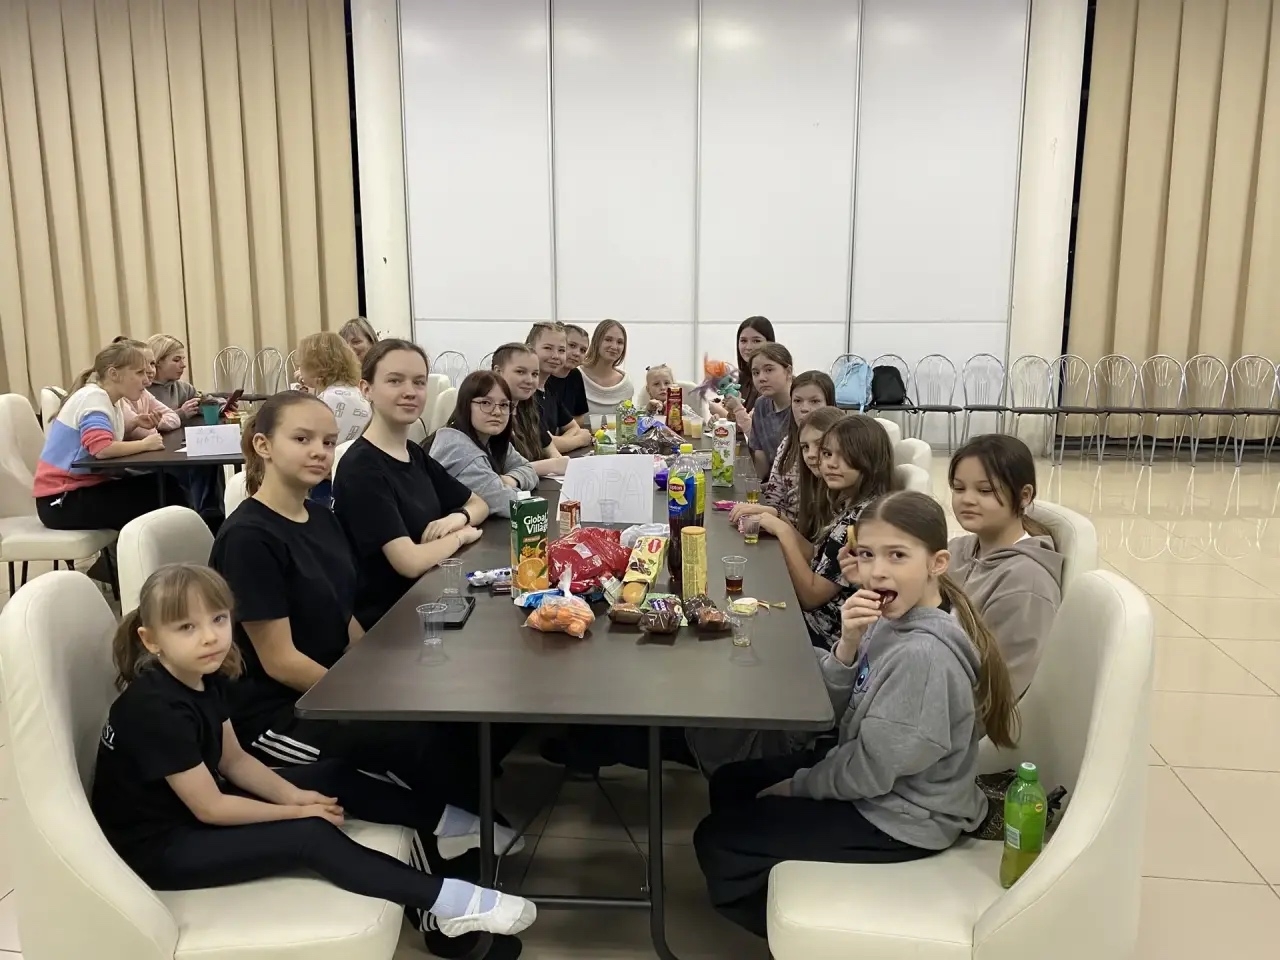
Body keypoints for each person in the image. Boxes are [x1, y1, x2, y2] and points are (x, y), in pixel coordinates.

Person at [91, 563, 536, 942]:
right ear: (151, 640)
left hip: (195, 806)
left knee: (332, 775)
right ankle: (450, 903)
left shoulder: (203, 676)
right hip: (163, 848)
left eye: (219, 619)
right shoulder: (156, 709)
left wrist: (294, 795)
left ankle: (452, 826)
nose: (210, 637)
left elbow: (234, 761)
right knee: (310, 836)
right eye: (187, 628)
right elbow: (210, 808)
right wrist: (295, 813)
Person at [693, 490, 1019, 937]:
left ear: (937, 563)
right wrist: (846, 646)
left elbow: (870, 772)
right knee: (732, 782)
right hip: (874, 779)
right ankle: (781, 871)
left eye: (897, 555)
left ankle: (812, 939)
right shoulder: (891, 617)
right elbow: (836, 712)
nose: (877, 570)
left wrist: (798, 786)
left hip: (903, 818)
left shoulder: (922, 656)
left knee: (717, 840)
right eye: (866, 555)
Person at [332, 340, 490, 630]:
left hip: (429, 601)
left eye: (419, 382)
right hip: (390, 624)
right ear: (366, 389)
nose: (410, 391)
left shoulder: (413, 453)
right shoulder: (361, 468)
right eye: (395, 381)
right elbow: (409, 561)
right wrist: (460, 536)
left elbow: (478, 503)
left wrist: (458, 517)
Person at [757, 415, 894, 648]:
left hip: (824, 638)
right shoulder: (854, 503)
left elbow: (811, 597)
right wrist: (779, 518)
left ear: (871, 460)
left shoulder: (863, 521)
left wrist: (784, 533)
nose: (830, 464)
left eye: (845, 456)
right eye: (828, 454)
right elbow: (819, 557)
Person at [943, 435, 1063, 697]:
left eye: (985, 491)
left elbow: (1004, 691)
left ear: (1024, 496)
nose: (967, 499)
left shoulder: (1027, 583)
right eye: (959, 488)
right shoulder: (957, 550)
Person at [34, 340, 187, 531]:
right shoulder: (94, 398)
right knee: (165, 493)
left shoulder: (108, 400)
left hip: (74, 493)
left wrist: (134, 423)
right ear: (114, 374)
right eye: (139, 373)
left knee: (166, 486)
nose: (147, 380)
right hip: (61, 501)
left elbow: (100, 439)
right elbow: (102, 448)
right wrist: (145, 444)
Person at [430, 371, 558, 517]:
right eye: (485, 403)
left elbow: (528, 469)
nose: (497, 412)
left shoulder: (491, 439)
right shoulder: (456, 448)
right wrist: (506, 489)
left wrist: (512, 480)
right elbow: (508, 503)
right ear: (465, 405)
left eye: (504, 405)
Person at [730, 371, 833, 526]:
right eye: (797, 401)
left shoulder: (838, 450)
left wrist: (773, 517)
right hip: (779, 526)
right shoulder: (787, 443)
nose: (804, 408)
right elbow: (773, 496)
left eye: (815, 401)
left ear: (830, 404)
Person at [492, 342, 571, 476]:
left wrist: (559, 463)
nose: (529, 380)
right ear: (498, 372)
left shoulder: (529, 408)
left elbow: (553, 452)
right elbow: (498, 472)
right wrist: (552, 465)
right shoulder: (488, 414)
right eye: (520, 372)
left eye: (535, 374)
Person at [525, 323, 592, 452]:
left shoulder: (548, 389)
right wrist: (580, 440)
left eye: (561, 350)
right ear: (530, 349)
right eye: (548, 348)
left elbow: (573, 426)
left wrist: (561, 441)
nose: (555, 355)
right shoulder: (524, 392)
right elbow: (541, 444)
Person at [295, 332, 371, 443]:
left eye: (301, 365)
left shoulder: (325, 401)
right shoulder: (357, 392)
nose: (299, 369)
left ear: (315, 367)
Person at [743, 344, 795, 480]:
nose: (761, 378)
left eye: (769, 370)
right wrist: (754, 485)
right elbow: (761, 457)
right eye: (756, 373)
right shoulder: (761, 405)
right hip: (772, 483)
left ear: (788, 371)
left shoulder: (801, 406)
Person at [114, 338, 182, 439]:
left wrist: (154, 422)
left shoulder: (143, 393)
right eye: (141, 369)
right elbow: (147, 433)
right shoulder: (117, 398)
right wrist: (148, 425)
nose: (150, 370)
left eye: (152, 363)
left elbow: (174, 418)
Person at [718, 316, 775, 425]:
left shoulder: (773, 381)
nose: (748, 347)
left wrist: (722, 414)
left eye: (756, 341)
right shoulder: (741, 378)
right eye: (743, 341)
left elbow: (758, 427)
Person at [577, 319, 635, 416]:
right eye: (608, 340)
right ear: (596, 341)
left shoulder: (625, 385)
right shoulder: (575, 375)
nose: (614, 346)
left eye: (620, 342)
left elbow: (627, 421)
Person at [146, 334, 203, 423]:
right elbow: (144, 423)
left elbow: (208, 402)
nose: (183, 365)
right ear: (158, 361)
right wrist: (181, 413)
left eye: (183, 359)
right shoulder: (141, 390)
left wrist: (221, 406)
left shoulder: (185, 388)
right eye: (176, 360)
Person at [545, 323, 590, 427]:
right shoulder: (543, 376)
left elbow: (580, 418)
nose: (577, 353)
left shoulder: (576, 375)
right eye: (572, 345)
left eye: (583, 350)